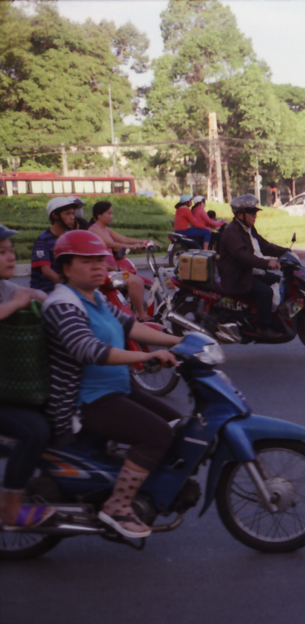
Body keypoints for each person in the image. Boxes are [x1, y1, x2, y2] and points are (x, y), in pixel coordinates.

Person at [41, 230, 182, 539]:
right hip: (85, 400)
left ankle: (138, 485)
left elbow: (131, 326)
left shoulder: (96, 298)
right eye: (86, 261)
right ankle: (117, 506)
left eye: (99, 260)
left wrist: (181, 342)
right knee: (156, 434)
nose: (97, 267)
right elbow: (87, 350)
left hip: (116, 390)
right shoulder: (63, 303)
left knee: (176, 424)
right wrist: (145, 357)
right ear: (65, 267)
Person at [0, 223, 55, 529]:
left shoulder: (5, 287)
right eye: (1, 252)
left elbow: (28, 293)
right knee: (33, 431)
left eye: (10, 251)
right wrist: (15, 305)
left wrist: (52, 301)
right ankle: (9, 508)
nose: (11, 257)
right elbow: (15, 302)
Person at [217, 194, 290, 339]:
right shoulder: (232, 232)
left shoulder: (249, 229)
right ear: (240, 214)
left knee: (278, 280)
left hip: (249, 272)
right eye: (251, 212)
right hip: (238, 277)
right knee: (265, 292)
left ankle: (269, 317)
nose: (254, 215)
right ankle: (263, 327)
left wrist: (285, 252)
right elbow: (243, 256)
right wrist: (267, 264)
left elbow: (265, 245)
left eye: (255, 212)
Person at [87, 201, 152, 321]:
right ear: (99, 215)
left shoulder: (107, 229)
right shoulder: (94, 230)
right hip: (106, 271)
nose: (111, 216)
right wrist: (133, 247)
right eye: (109, 213)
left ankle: (139, 312)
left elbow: (125, 239)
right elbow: (110, 243)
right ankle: (141, 314)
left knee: (139, 281)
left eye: (112, 213)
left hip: (114, 271)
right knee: (132, 282)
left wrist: (144, 242)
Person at [31, 196, 79, 294]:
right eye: (68, 214)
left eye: (73, 213)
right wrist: (68, 285)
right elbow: (46, 271)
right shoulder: (43, 240)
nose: (72, 217)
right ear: (55, 215)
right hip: (47, 290)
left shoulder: (70, 237)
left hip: (65, 289)